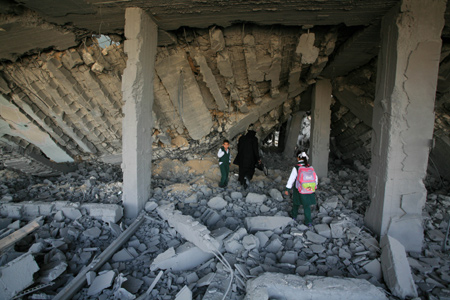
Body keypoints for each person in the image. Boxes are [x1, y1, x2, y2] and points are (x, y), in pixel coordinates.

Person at [284, 151, 318, 226]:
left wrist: (287, 189)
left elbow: (291, 179)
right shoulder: (310, 167)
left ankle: (294, 217)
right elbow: (315, 179)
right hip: (309, 190)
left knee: (296, 203)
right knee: (307, 206)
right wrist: (313, 187)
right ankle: (308, 222)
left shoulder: (296, 167)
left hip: (298, 190)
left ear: (298, 158)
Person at [234, 125, 261, 189]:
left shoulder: (242, 138)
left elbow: (238, 148)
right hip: (250, 159)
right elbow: (255, 151)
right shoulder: (254, 139)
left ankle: (241, 180)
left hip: (242, 158)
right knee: (250, 169)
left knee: (242, 169)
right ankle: (246, 179)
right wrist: (258, 159)